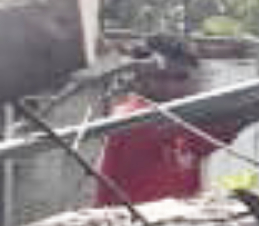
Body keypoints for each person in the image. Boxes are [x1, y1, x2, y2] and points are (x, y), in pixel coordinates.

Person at [92, 40, 224, 208]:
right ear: (139, 78)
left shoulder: (183, 121)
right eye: (161, 77)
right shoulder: (131, 119)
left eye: (181, 77)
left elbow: (219, 135)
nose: (172, 87)